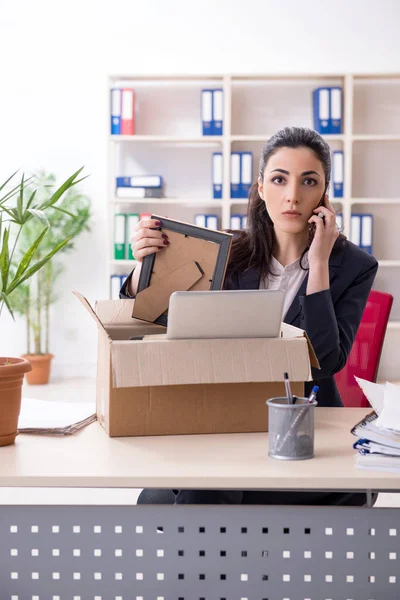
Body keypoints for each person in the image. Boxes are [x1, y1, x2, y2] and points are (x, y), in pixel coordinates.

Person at [120, 126, 378, 507]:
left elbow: (323, 360)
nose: (292, 196)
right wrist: (145, 264)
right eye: (279, 179)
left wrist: (319, 264)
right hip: (224, 416)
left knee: (206, 493)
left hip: (303, 424)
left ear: (324, 194)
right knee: (201, 489)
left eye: (309, 181)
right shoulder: (230, 251)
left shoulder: (354, 265)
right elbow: (152, 317)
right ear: (260, 188)